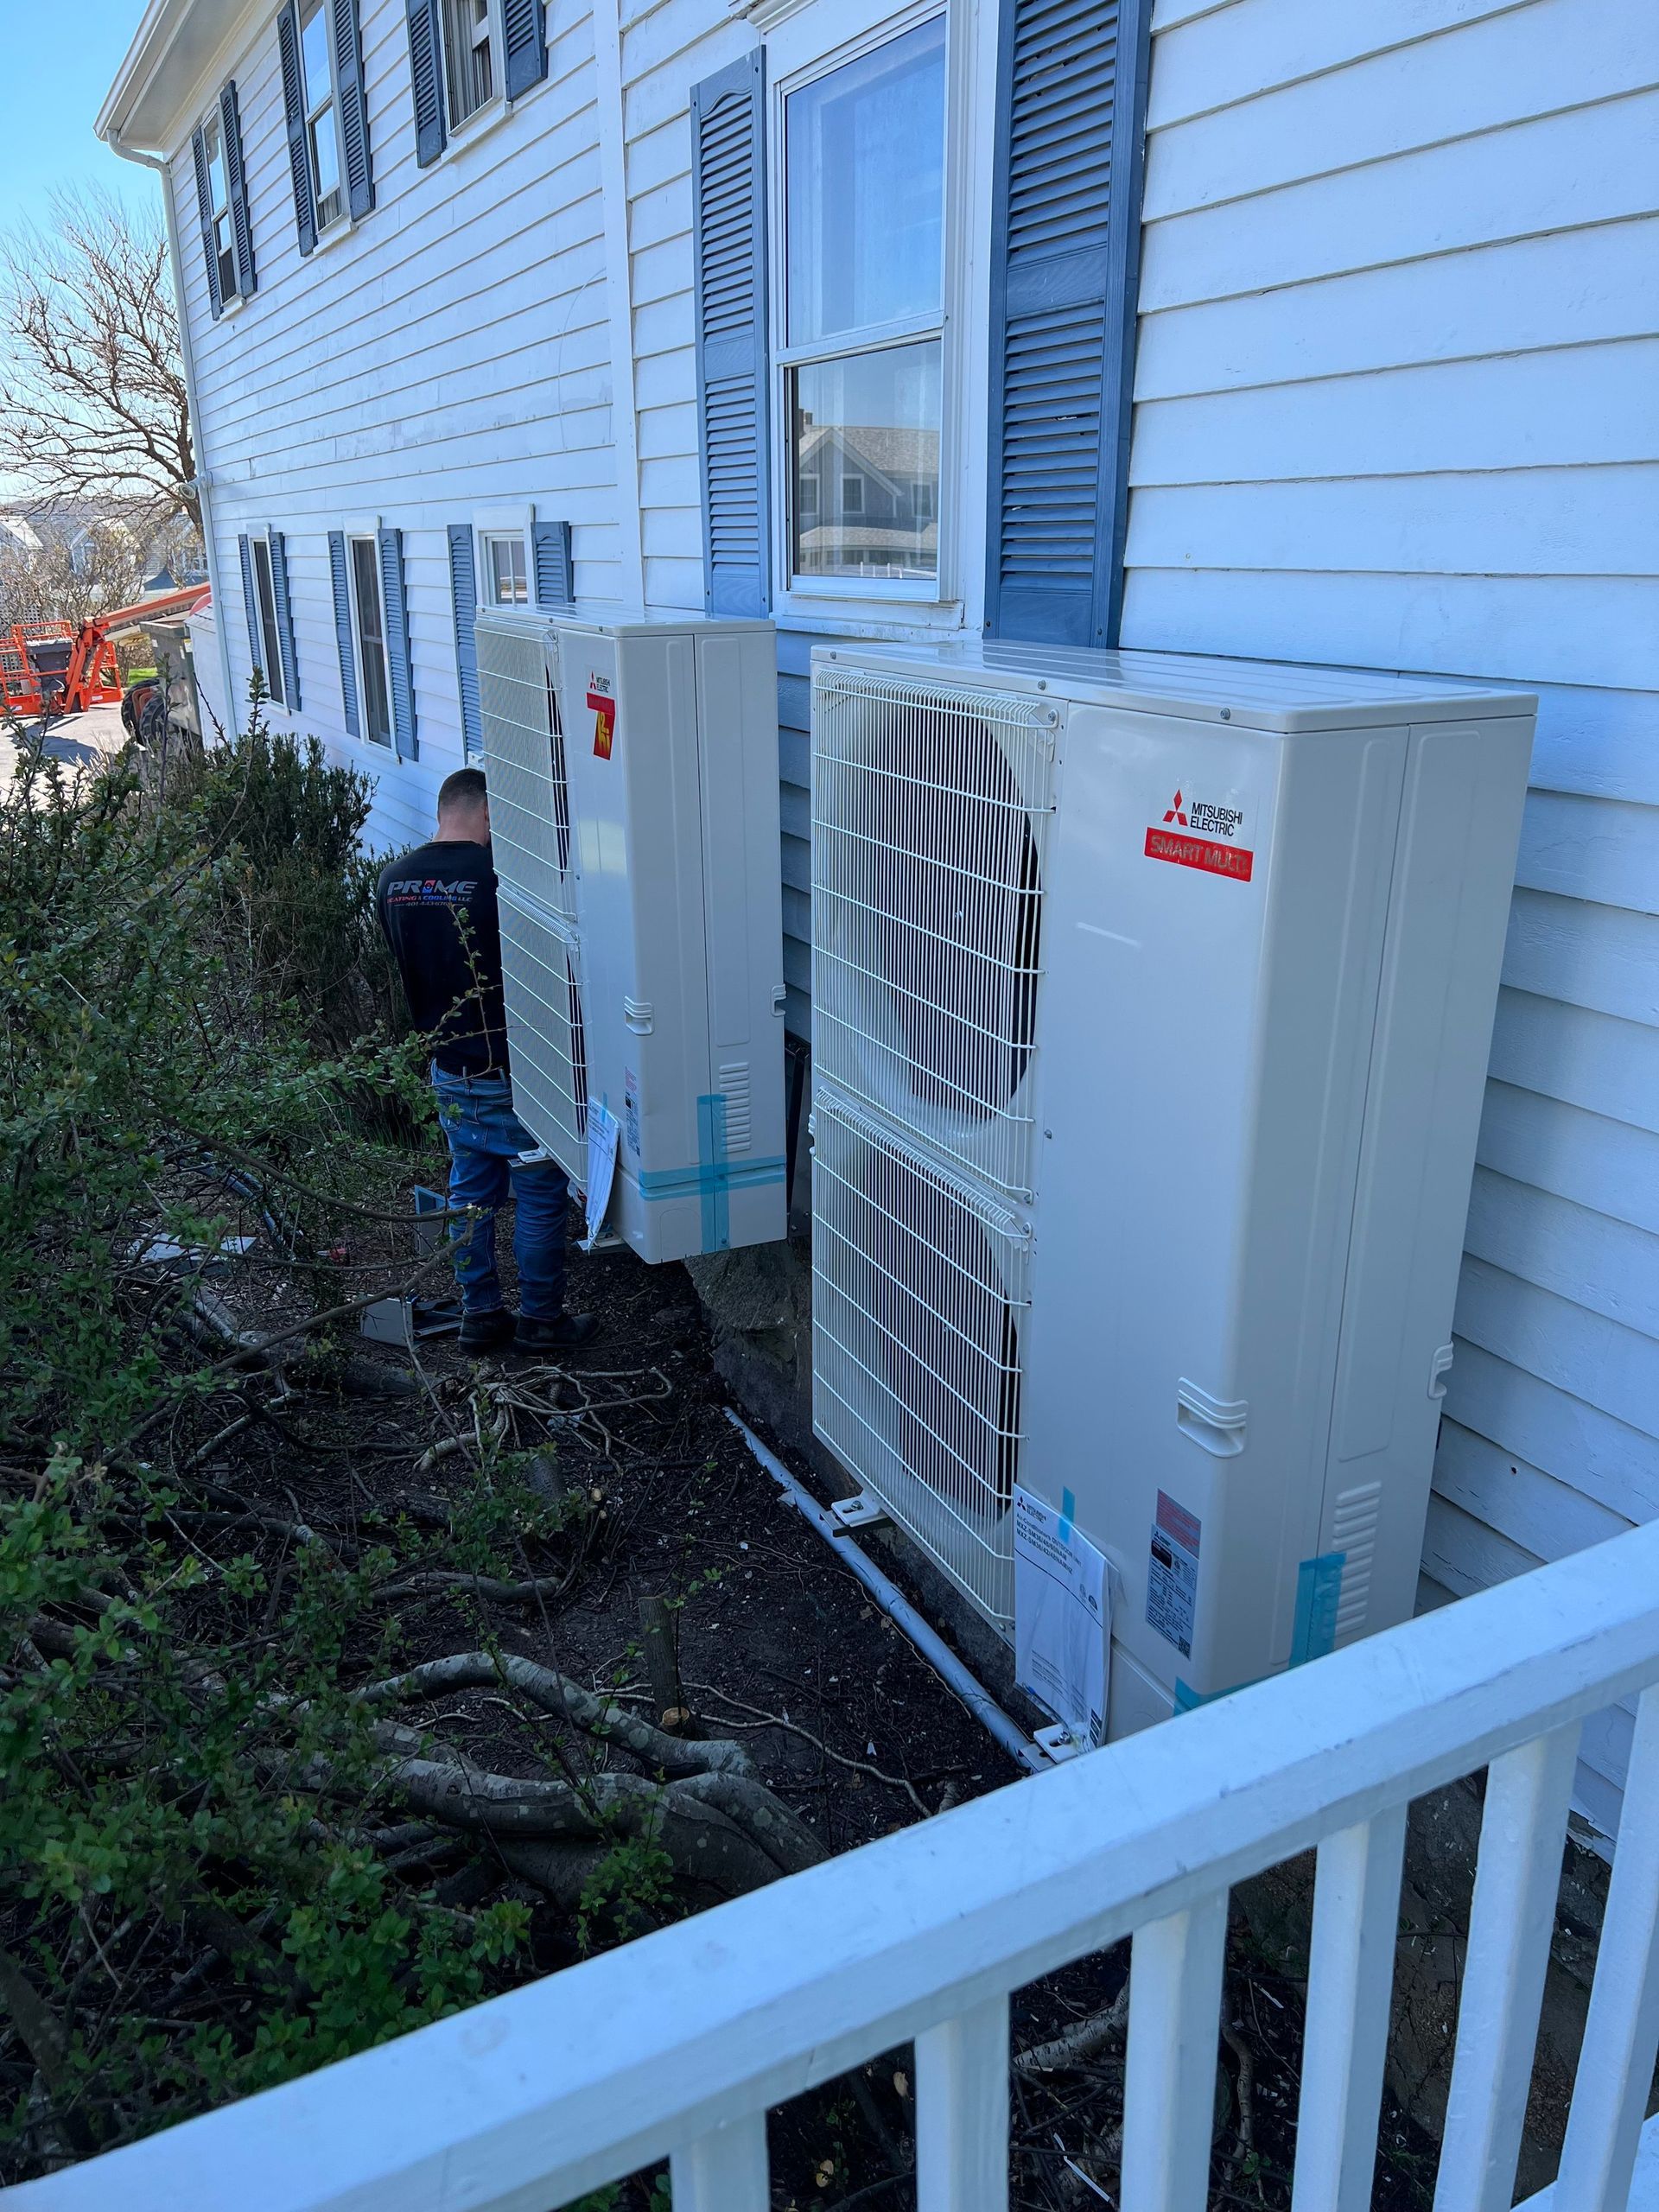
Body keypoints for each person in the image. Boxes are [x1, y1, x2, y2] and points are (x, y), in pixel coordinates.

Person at [377, 767, 597, 1355]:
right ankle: (541, 1321)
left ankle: (480, 1316)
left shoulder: (393, 882)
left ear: (444, 809)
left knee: (469, 1193)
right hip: (512, 1071)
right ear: (489, 815)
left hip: (449, 1071)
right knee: (539, 1192)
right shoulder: (500, 881)